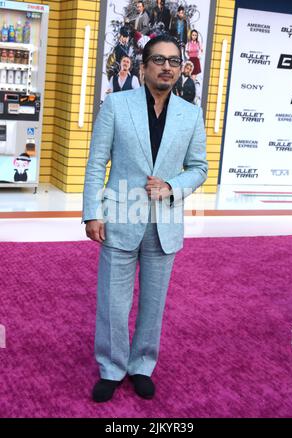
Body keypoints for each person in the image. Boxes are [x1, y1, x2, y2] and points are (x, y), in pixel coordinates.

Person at [83, 34, 208, 403]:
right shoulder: (116, 105)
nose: (166, 66)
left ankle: (141, 365)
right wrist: (93, 212)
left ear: (180, 68)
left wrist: (171, 185)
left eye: (173, 60)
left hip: (163, 223)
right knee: (113, 303)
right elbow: (96, 163)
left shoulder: (190, 114)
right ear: (143, 67)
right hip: (119, 217)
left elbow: (199, 168)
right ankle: (111, 367)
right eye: (158, 60)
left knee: (153, 304)